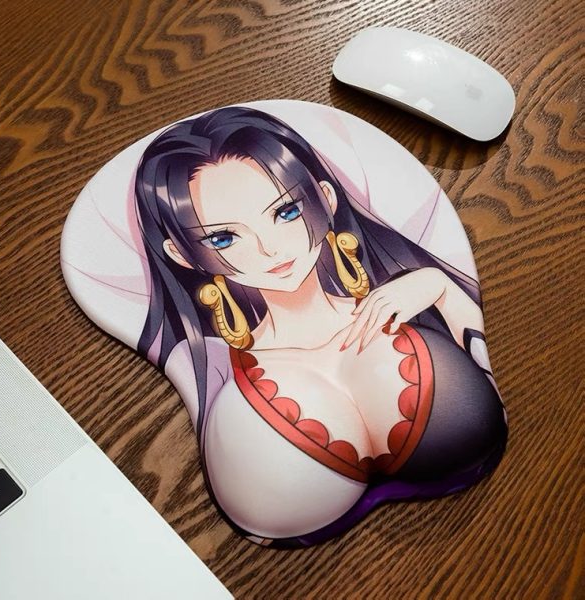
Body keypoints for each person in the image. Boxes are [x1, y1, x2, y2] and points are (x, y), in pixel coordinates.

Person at [135, 106, 507, 548]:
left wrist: (437, 286)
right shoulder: (207, 360)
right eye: (223, 238)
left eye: (286, 211)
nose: (270, 249)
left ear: (326, 198)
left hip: (493, 522)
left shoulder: (415, 293)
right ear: (182, 255)